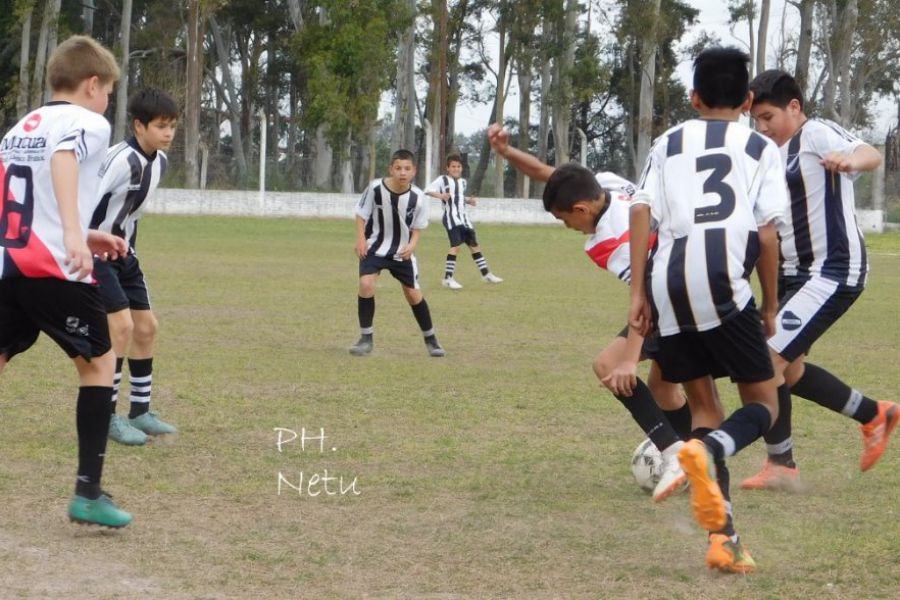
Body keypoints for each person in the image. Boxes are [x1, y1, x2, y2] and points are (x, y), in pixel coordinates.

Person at [487, 125, 729, 504]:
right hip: (694, 278)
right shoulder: (610, 185)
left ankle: (674, 457)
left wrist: (629, 359)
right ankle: (687, 456)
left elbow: (646, 295)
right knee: (664, 387)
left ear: (581, 210)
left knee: (608, 366)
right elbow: (550, 175)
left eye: (566, 220)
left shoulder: (609, 242)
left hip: (671, 297)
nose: (569, 228)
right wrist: (507, 153)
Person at [628, 47, 788, 572]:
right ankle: (713, 450)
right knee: (764, 405)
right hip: (723, 281)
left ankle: (724, 540)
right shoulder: (760, 146)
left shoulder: (667, 141)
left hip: (668, 281)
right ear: (747, 100)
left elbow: (641, 211)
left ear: (694, 98)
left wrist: (639, 296)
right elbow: (766, 234)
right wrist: (769, 304)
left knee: (703, 408)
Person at [739, 69, 898, 490]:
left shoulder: (816, 134)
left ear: (795, 107)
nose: (762, 126)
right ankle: (873, 414)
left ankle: (780, 464)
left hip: (832, 269)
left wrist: (851, 160)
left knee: (764, 360)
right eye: (756, 119)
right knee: (787, 372)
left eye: (768, 116)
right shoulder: (766, 153)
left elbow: (870, 152)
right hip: (792, 273)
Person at [0, 35, 132, 527]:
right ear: (93, 84)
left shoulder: (22, 126)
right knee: (99, 364)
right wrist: (74, 237)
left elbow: (24, 192)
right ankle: (88, 494)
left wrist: (84, 229)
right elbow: (62, 161)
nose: (107, 104)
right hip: (55, 269)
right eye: (108, 93)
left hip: (9, 264)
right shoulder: (87, 122)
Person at [91, 88, 179, 446]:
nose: (169, 133)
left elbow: (130, 214)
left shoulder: (160, 162)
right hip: (96, 254)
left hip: (125, 255)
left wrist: (128, 250)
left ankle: (140, 411)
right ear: (139, 125)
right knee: (121, 327)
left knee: (146, 327)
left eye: (172, 126)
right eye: (161, 126)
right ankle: (106, 417)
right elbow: (85, 200)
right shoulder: (118, 160)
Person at [349, 149, 446, 357]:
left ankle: (431, 340)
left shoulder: (418, 197)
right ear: (391, 169)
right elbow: (361, 214)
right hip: (374, 247)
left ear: (413, 171)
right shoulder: (375, 188)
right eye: (398, 168)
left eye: (407, 169)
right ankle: (366, 339)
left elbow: (418, 226)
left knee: (413, 294)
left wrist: (412, 245)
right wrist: (360, 240)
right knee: (366, 284)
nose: (403, 172)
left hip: (402, 252)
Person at [424, 154, 503, 289]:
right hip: (451, 218)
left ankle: (486, 274)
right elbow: (427, 190)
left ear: (461, 168)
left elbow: (458, 197)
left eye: (458, 166)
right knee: (456, 246)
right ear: (447, 168)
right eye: (453, 166)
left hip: (464, 219)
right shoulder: (442, 179)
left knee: (474, 246)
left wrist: (469, 201)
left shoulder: (463, 182)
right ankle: (448, 278)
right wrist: (441, 195)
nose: (456, 169)